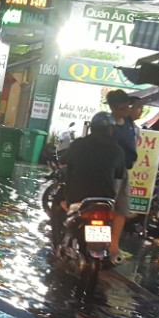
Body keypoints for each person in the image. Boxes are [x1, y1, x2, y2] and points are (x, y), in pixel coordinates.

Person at [53, 111, 129, 260]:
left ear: (92, 128)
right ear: (111, 130)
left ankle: (56, 245)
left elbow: (63, 160)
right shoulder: (118, 150)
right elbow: (119, 174)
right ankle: (112, 247)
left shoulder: (78, 145)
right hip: (106, 200)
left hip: (77, 199)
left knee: (57, 205)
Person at [105, 90, 140, 256]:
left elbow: (138, 110)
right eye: (121, 108)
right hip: (109, 171)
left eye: (127, 107)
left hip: (124, 171)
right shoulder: (107, 123)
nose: (125, 110)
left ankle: (114, 245)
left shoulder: (129, 121)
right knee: (107, 207)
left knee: (122, 208)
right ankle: (102, 240)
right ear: (112, 108)